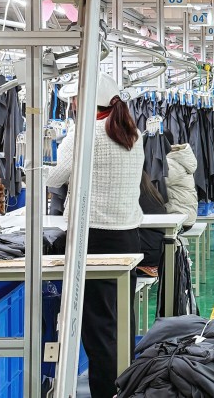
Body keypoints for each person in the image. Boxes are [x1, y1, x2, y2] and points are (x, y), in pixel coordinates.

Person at [47, 73, 144, 398]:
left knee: (98, 327)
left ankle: (106, 393)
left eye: (75, 100)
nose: (73, 106)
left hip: (93, 238)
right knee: (121, 319)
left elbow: (54, 177)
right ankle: (128, 387)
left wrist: (29, 164)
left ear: (87, 101)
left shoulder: (83, 134)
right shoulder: (133, 133)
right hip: (128, 236)